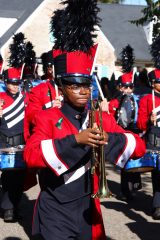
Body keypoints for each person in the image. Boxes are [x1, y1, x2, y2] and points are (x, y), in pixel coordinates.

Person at [24, 2, 145, 238]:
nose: (82, 90)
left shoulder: (100, 118)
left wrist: (109, 138)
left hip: (89, 209)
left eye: (86, 84)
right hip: (56, 209)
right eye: (74, 85)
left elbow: (138, 147)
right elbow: (31, 155)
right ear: (61, 86)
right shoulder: (48, 117)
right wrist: (76, 140)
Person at [108, 45, 142, 201]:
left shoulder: (137, 100)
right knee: (125, 163)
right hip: (121, 134)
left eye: (130, 86)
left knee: (136, 160)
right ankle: (125, 190)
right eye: (125, 86)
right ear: (119, 87)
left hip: (135, 132)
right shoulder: (115, 101)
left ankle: (134, 185)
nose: (128, 89)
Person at [0, 67, 28, 222]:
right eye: (12, 83)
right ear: (6, 82)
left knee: (19, 177)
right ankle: (8, 209)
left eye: (17, 83)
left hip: (22, 141)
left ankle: (13, 207)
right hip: (4, 140)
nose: (15, 86)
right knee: (8, 175)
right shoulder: (0, 97)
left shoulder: (25, 98)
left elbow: (34, 113)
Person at [137, 36, 160, 220]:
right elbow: (139, 123)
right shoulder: (146, 99)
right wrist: (148, 120)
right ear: (153, 83)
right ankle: (157, 205)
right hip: (155, 142)